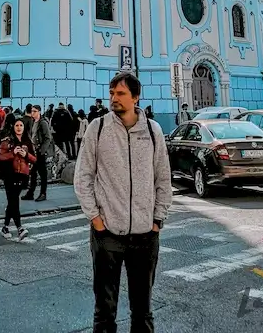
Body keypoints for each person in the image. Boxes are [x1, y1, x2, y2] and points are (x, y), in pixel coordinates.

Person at [74, 72, 172, 333]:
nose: (113, 98)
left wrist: (157, 220)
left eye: (120, 93)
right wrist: (96, 219)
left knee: (143, 311)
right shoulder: (98, 128)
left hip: (145, 235)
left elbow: (163, 177)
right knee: (104, 312)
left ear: (135, 97)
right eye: (111, 93)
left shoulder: (153, 130)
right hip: (107, 235)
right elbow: (82, 176)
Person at [0, 118, 36, 241]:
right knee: (14, 201)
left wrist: (26, 155)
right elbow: (0, 156)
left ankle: (5, 227)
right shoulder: (7, 141)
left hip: (22, 174)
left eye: (21, 125)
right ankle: (20, 228)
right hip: (9, 174)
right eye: (17, 125)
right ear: (13, 127)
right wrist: (13, 153)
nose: (19, 127)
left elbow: (35, 159)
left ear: (24, 128)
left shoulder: (27, 141)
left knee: (12, 201)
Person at [22, 104, 53, 202]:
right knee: (33, 172)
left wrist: (42, 150)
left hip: (40, 152)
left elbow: (48, 138)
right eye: (32, 111)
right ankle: (31, 193)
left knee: (42, 173)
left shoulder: (42, 123)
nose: (33, 113)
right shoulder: (32, 122)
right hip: (34, 151)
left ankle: (42, 193)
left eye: (35, 111)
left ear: (39, 112)